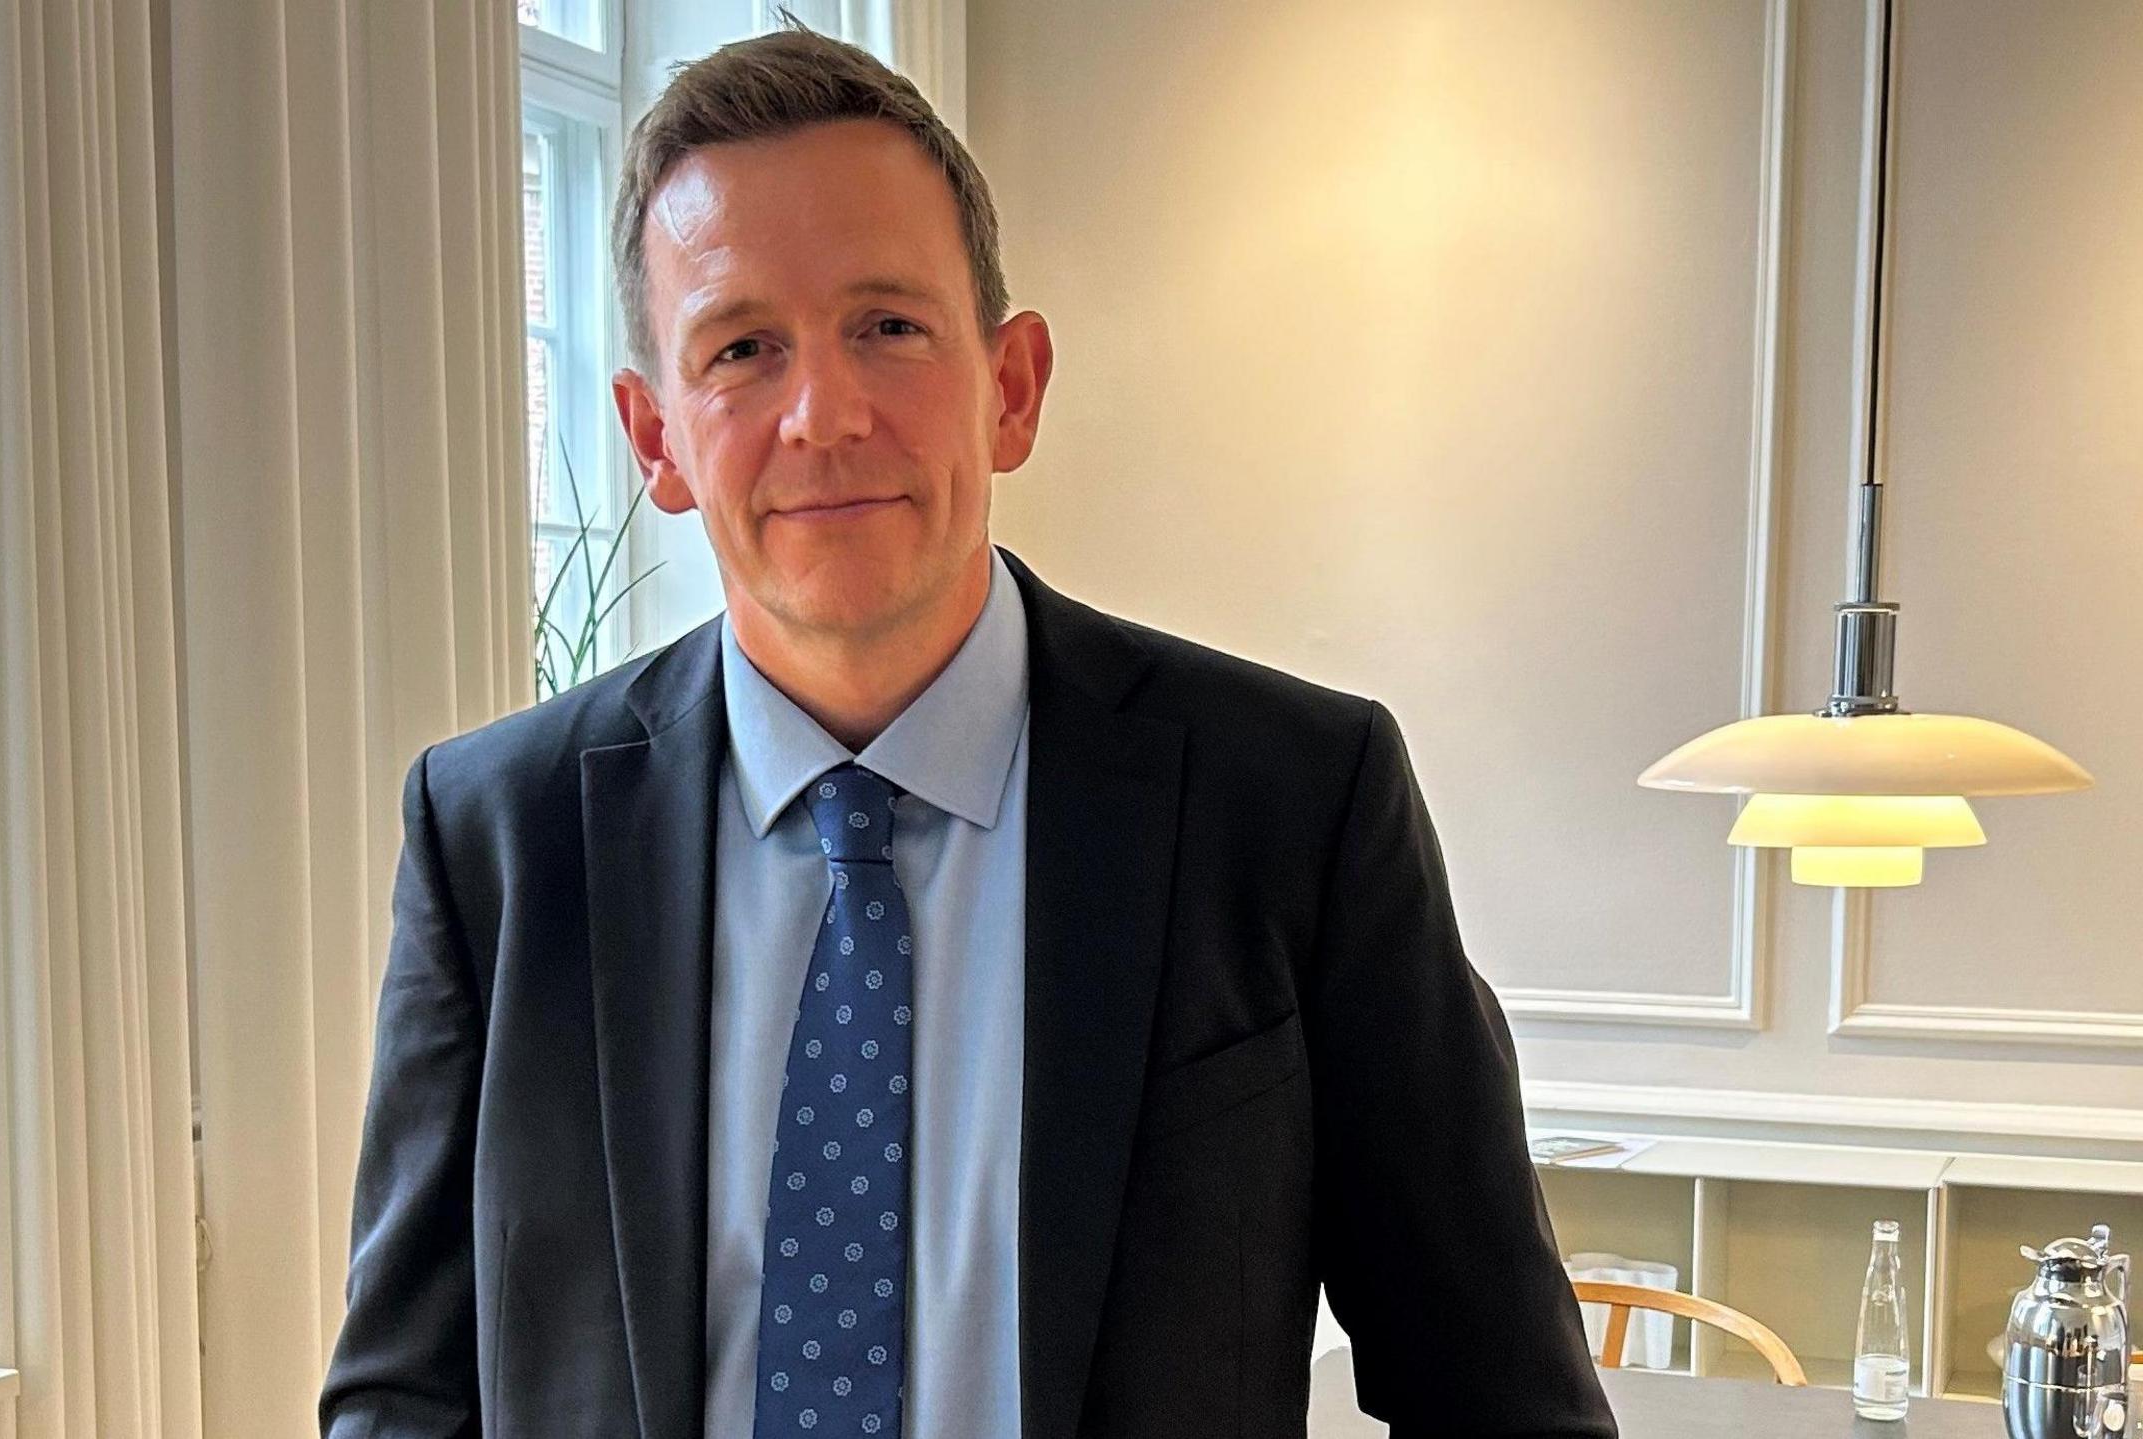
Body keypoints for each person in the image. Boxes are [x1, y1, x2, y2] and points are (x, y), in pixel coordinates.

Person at [320, 21, 1613, 1439]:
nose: (824, 414)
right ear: (655, 441)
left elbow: (1498, 1391)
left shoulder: (1294, 802)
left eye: (888, 325)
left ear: (1011, 387)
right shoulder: (498, 838)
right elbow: (404, 1397)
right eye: (743, 347)